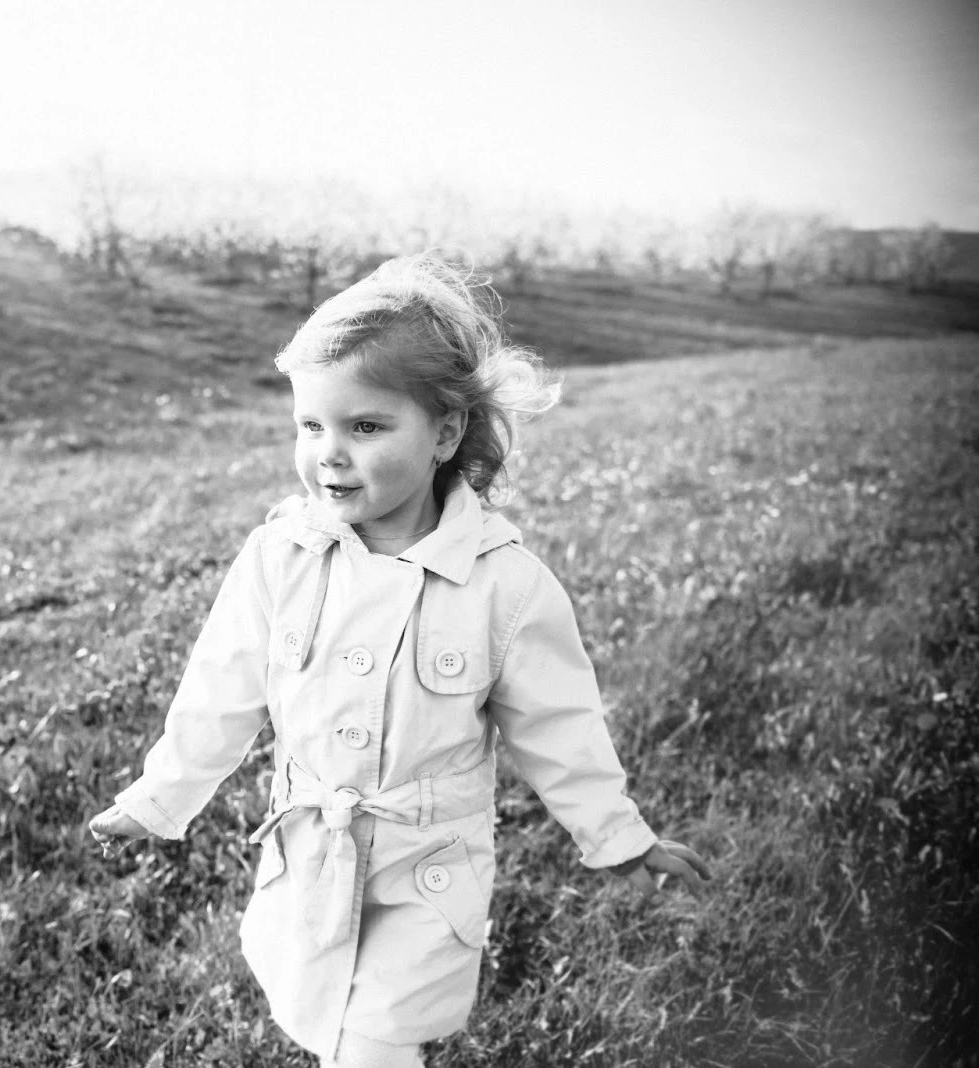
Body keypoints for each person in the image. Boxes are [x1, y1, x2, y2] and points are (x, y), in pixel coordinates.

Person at [87, 250, 712, 1068]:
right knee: (323, 1019)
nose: (329, 454)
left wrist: (617, 835)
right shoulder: (281, 556)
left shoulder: (504, 587)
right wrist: (162, 795)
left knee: (375, 1045)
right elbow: (220, 692)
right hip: (312, 856)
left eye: (367, 427)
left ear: (445, 432)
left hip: (426, 873)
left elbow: (560, 730)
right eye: (312, 426)